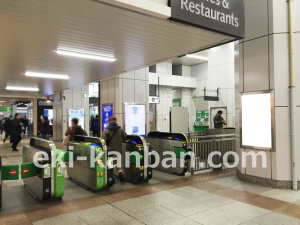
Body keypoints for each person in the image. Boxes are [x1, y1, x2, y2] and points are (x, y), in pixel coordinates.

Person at [101, 116, 127, 182]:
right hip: (118, 150)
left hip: (110, 150)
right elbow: (125, 137)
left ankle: (112, 177)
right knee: (118, 163)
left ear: (109, 122)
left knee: (110, 164)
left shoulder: (107, 130)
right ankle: (120, 172)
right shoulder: (120, 129)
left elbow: (103, 140)